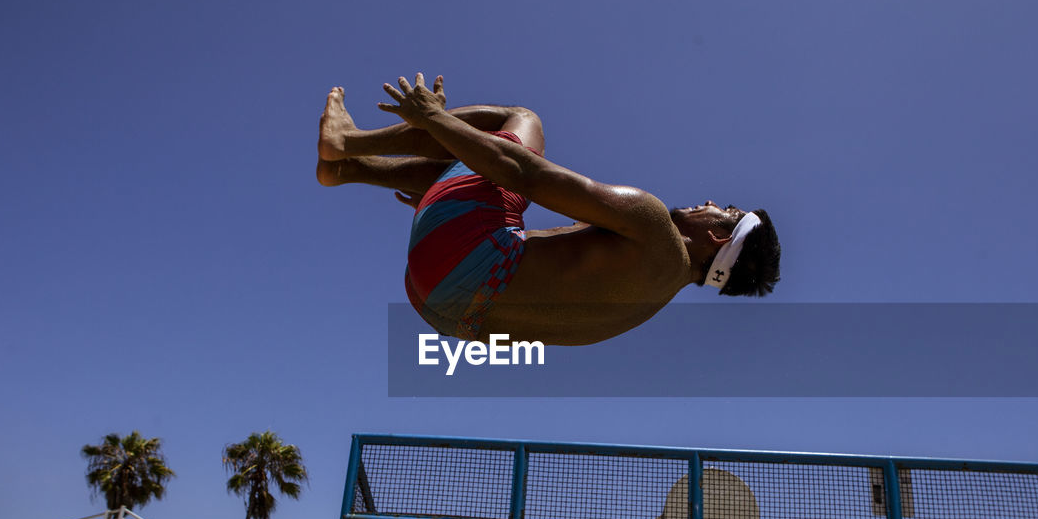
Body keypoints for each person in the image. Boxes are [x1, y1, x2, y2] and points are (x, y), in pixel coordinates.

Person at [317, 75, 781, 346]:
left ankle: (349, 143)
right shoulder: (645, 306)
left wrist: (432, 116)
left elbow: (526, 174)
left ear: (721, 237)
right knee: (486, 175)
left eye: (723, 209)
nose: (708, 202)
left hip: (463, 255)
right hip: (439, 308)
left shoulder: (653, 224)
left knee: (521, 123)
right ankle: (348, 171)